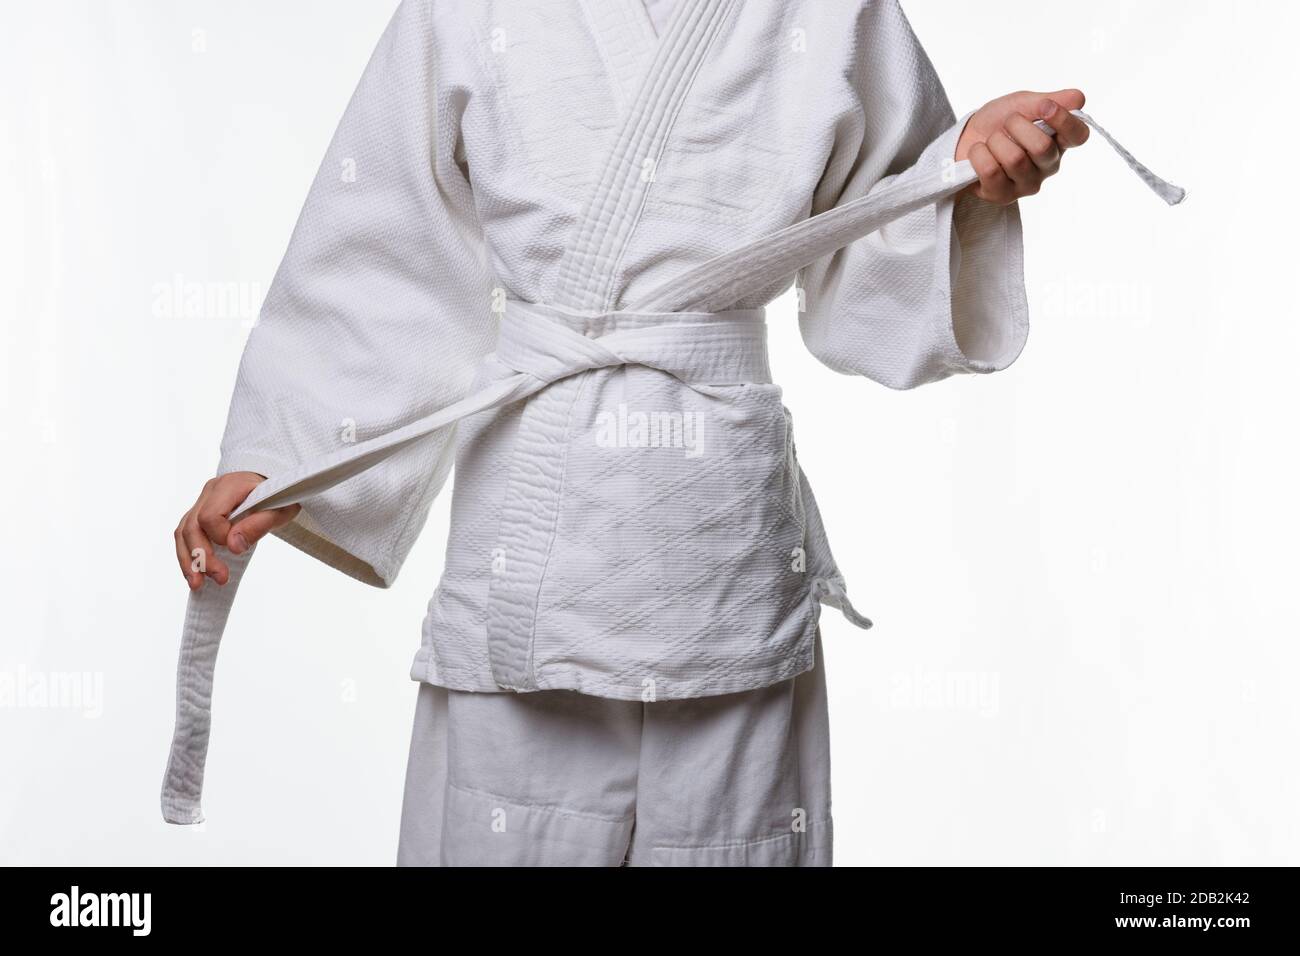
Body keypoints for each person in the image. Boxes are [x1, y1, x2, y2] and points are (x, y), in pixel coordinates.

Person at [164, 0, 1172, 865]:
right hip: (534, 548)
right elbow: (385, 235)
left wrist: (963, 177)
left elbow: (875, 243)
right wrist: (283, 451)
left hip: (721, 550)